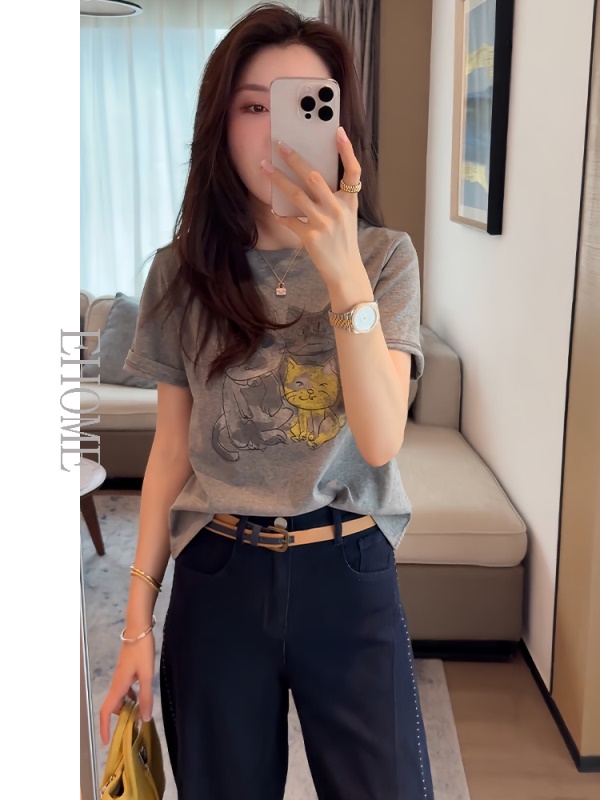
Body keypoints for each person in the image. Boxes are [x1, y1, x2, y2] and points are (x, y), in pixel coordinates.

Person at [99, 3, 435, 798]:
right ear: (219, 125)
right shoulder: (180, 272)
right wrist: (137, 625)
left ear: (339, 129)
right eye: (254, 107)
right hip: (220, 573)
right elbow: (170, 454)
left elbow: (380, 440)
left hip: (348, 567)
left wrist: (341, 269)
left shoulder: (385, 260)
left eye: (303, 107)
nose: (277, 134)